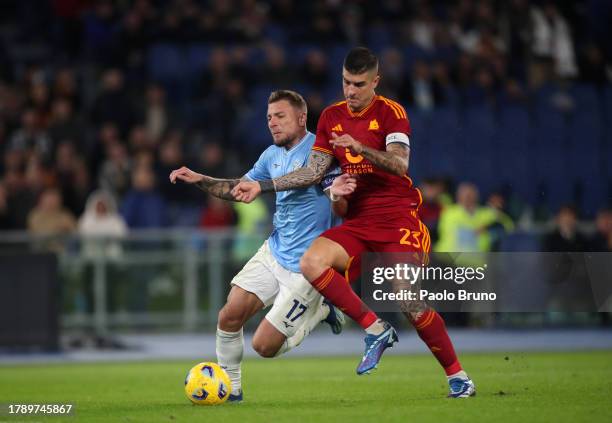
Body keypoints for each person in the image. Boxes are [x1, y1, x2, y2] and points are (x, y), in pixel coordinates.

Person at [231, 47, 475, 397]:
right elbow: (315, 172)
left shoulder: (392, 113)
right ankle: (375, 329)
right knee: (312, 261)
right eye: (346, 82)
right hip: (359, 220)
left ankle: (458, 375)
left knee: (406, 298)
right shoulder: (330, 118)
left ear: (375, 81)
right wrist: (333, 193)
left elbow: (400, 164)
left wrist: (360, 148)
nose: (351, 91)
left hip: (398, 218)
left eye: (359, 84)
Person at [169, 90, 348, 403]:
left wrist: (267, 186)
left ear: (301, 117)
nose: (273, 123)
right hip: (275, 251)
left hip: (308, 266)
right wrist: (200, 179)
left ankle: (321, 310)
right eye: (269, 118)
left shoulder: (320, 150)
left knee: (264, 347)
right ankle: (232, 390)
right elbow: (240, 188)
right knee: (229, 315)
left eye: (280, 116)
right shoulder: (271, 156)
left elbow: (312, 177)